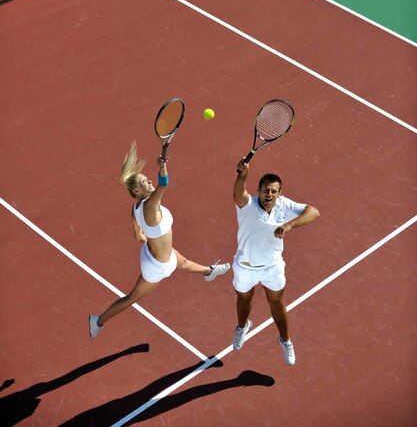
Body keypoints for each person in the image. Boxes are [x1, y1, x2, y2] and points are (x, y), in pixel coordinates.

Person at [89, 141, 230, 337]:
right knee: (132, 298)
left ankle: (209, 272)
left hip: (158, 253)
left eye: (147, 179)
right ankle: (98, 321)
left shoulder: (137, 207)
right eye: (145, 182)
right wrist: (162, 166)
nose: (149, 182)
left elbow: (136, 226)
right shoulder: (149, 205)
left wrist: (144, 235)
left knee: (185, 262)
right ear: (137, 191)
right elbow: (164, 183)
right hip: (156, 266)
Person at [231, 159, 319, 365]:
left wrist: (288, 226)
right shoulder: (247, 205)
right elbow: (238, 193)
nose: (268, 195)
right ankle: (242, 327)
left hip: (272, 267)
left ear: (279, 193)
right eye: (265, 191)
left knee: (277, 303)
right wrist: (242, 175)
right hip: (245, 266)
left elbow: (314, 212)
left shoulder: (284, 205)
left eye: (273, 191)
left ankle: (285, 340)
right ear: (258, 191)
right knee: (244, 299)